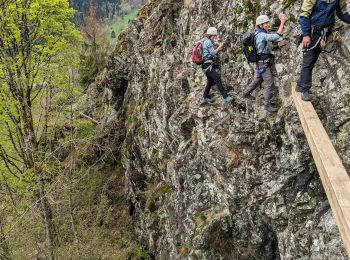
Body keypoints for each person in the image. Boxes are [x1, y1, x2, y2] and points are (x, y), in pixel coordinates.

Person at [296, 0, 350, 101]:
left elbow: (341, 14)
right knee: (308, 61)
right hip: (312, 32)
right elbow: (304, 16)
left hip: (325, 33)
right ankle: (305, 90)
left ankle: (300, 84)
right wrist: (306, 34)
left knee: (312, 60)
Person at [243, 14, 288, 112]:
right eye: (266, 23)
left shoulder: (257, 33)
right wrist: (283, 21)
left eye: (268, 22)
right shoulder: (262, 35)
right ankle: (267, 104)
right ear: (260, 25)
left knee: (258, 79)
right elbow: (277, 36)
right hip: (263, 63)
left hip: (260, 62)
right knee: (269, 82)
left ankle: (246, 92)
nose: (268, 24)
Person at [202, 27, 234, 104]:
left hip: (205, 65)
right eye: (214, 36)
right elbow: (212, 53)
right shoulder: (208, 42)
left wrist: (217, 48)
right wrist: (220, 47)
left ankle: (205, 96)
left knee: (210, 81)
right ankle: (225, 97)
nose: (215, 38)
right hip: (207, 65)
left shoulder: (204, 41)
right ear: (211, 35)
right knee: (217, 78)